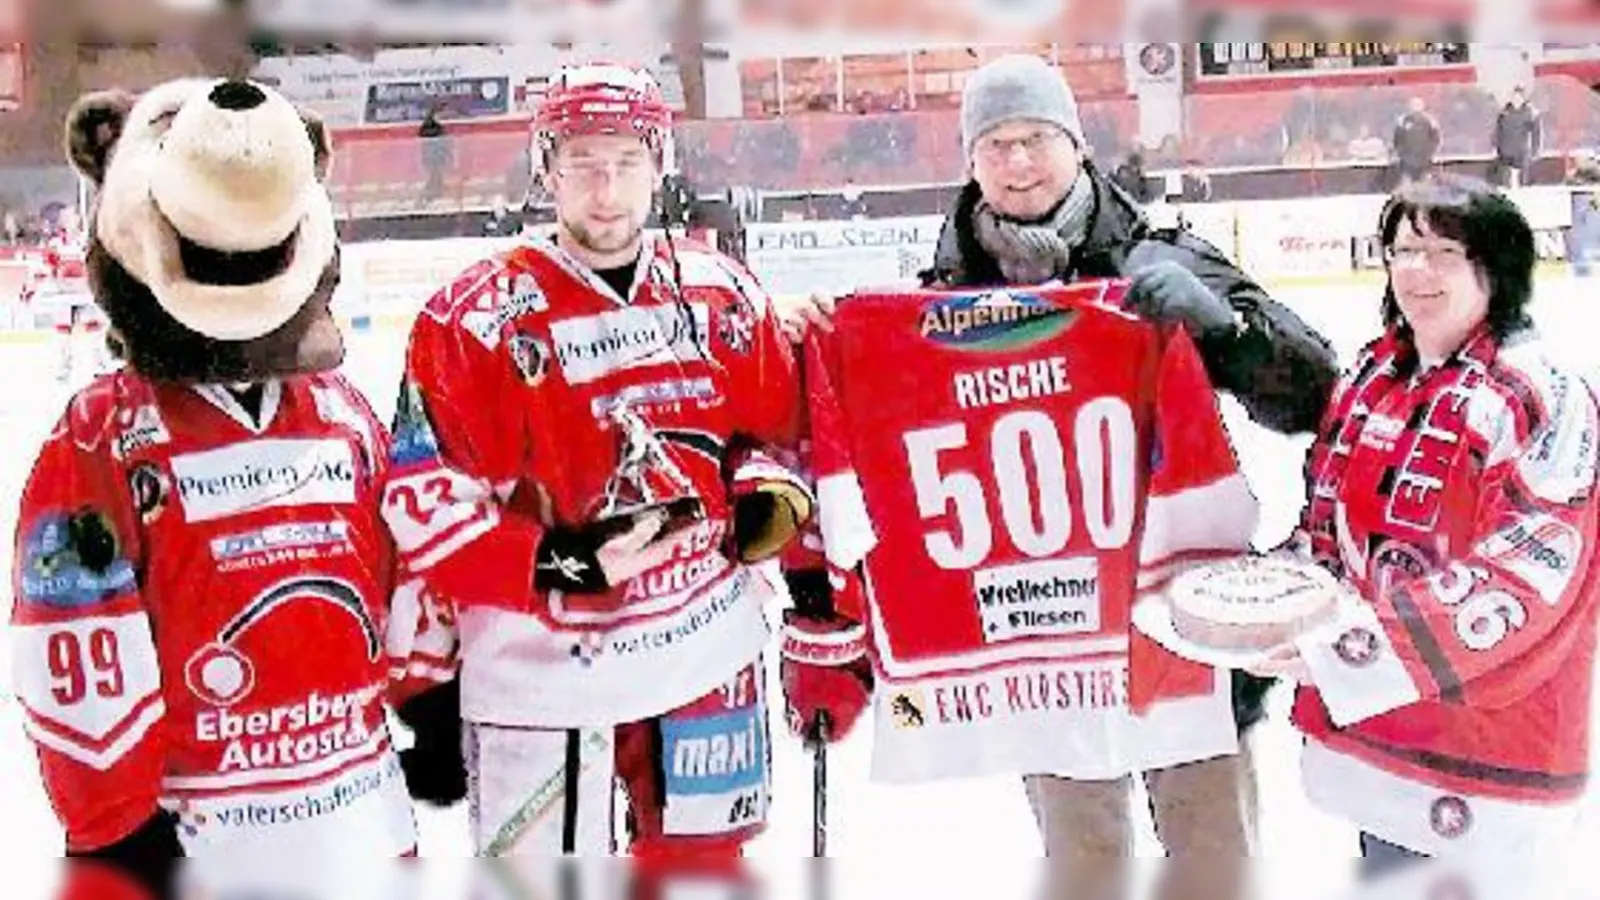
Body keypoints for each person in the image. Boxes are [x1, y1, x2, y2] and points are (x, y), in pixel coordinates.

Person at [779, 53, 1340, 856]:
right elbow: (866, 447)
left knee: (1214, 856)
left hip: (1174, 623)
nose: (1016, 161)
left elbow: (1319, 392)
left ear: (1076, 145)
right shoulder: (937, 304)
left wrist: (1226, 331)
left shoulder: (1164, 253)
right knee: (1085, 862)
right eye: (995, 143)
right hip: (1040, 642)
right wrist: (819, 341)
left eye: (1035, 137)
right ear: (969, 160)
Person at [380, 61, 812, 861]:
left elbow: (787, 440)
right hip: (540, 672)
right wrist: (558, 563)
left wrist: (768, 509)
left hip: (701, 651)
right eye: (582, 164)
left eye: (624, 163)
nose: (605, 190)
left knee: (703, 872)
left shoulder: (723, 296)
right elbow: (423, 501)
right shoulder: (469, 320)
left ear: (660, 165)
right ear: (546, 168)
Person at [1248, 174, 1600, 875]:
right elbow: (1328, 532)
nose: (1416, 270)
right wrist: (1265, 603)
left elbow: (1525, 571)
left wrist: (1348, 648)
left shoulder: (1541, 392)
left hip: (1487, 748)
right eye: (1403, 250)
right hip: (1382, 735)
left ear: (1492, 267)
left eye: (1443, 252)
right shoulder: (1374, 376)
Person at [1492, 87, 1541, 189]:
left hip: (1521, 150)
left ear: (1523, 99)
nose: (1516, 100)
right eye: (1514, 97)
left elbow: (1536, 133)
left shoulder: (1530, 113)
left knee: (1523, 179)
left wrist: (1535, 150)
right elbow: (1498, 130)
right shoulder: (1504, 113)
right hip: (1505, 150)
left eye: (1519, 98)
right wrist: (1495, 146)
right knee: (1506, 179)